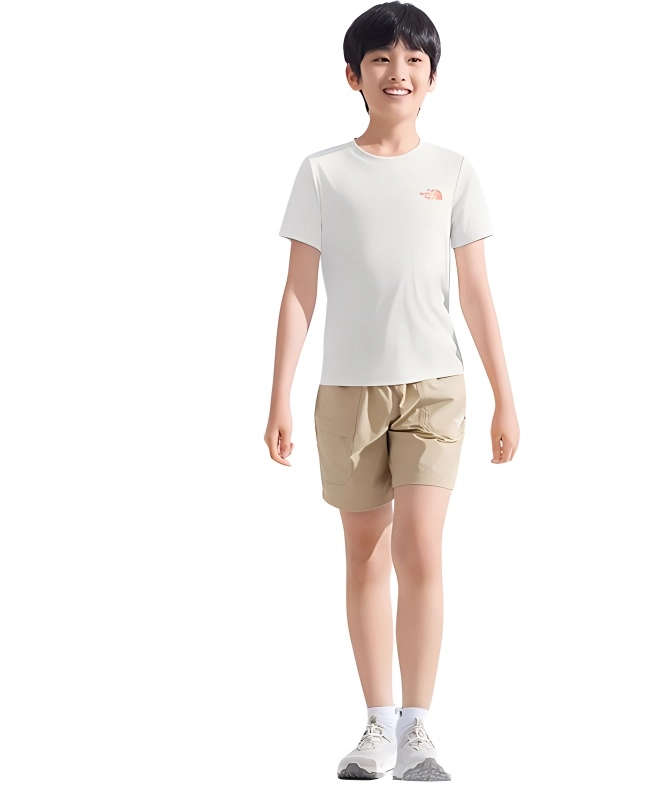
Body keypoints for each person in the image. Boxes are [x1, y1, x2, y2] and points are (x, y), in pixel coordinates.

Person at [264, 2, 519, 780]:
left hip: (434, 387)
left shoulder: (453, 171)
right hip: (347, 389)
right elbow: (298, 290)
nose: (397, 72)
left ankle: (419, 728)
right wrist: (278, 396)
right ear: (353, 76)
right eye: (380, 59)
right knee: (364, 553)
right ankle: (376, 722)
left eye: (413, 60)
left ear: (432, 77)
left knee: (420, 547)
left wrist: (505, 396)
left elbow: (475, 292)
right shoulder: (322, 171)